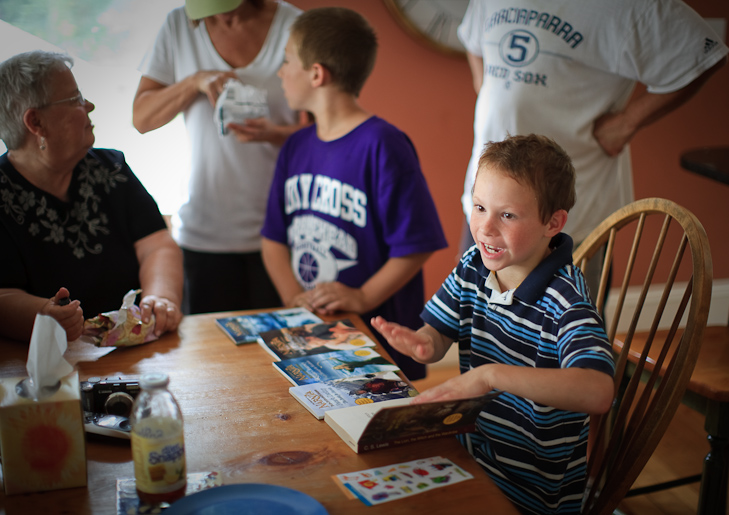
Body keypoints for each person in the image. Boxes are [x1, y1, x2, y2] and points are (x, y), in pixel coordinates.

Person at [372, 134, 616, 514]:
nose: (484, 228)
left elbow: (598, 390)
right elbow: (438, 335)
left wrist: (490, 376)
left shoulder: (566, 300)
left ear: (553, 222)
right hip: (469, 458)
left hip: (531, 496)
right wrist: (424, 342)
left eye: (507, 215)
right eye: (480, 207)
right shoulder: (473, 264)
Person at [457, 0, 728, 298]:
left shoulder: (631, 7)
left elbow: (703, 53)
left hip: (570, 224)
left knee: (565, 333)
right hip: (486, 206)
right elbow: (474, 39)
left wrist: (626, 122)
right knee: (476, 323)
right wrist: (486, 87)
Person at [261, 7, 448, 380]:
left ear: (316, 73)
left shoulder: (384, 144)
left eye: (286, 61)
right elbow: (273, 239)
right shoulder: (295, 146)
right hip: (313, 332)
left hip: (377, 341)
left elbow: (418, 244)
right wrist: (294, 299)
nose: (280, 72)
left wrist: (362, 297)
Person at [133, 0, 306, 315]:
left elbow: (331, 132)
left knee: (281, 352)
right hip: (203, 234)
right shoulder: (178, 25)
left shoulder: (296, 26)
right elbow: (142, 118)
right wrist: (194, 82)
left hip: (283, 234)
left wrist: (275, 134)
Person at [0, 51, 183, 342]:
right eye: (75, 99)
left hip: (135, 346)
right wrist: (43, 316)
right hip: (41, 368)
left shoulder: (112, 168)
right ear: (36, 123)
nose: (89, 105)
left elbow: (157, 245)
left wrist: (160, 298)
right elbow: (4, 294)